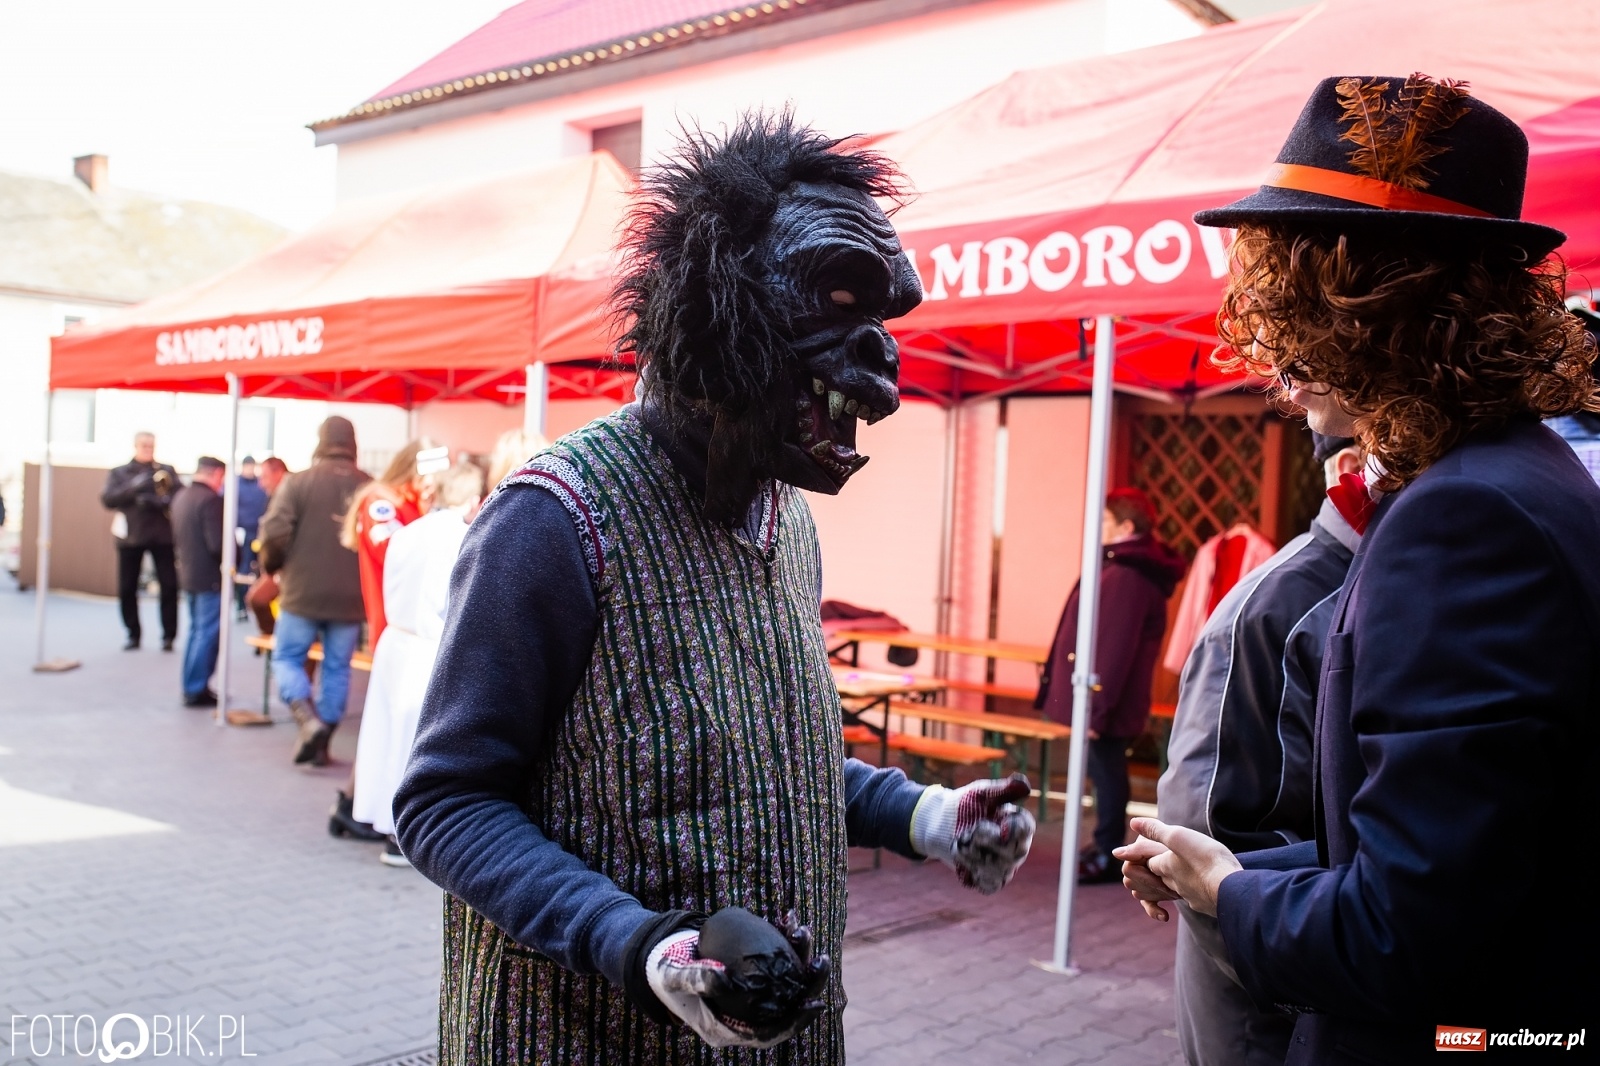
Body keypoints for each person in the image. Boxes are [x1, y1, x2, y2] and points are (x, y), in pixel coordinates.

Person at [394, 114, 1036, 1064]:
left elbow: (771, 760)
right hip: (581, 1039)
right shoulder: (554, 521)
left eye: (884, 318)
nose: (883, 360)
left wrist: (928, 818)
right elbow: (445, 805)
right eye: (838, 299)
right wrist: (638, 945)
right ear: (714, 308)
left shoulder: (789, 521)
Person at [1117, 74, 1599, 1062]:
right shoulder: (1521, 476)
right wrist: (1234, 869)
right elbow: (1468, 852)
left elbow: (1404, 935)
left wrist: (1229, 893)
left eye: (1293, 317)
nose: (1279, 371)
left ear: (1371, 314)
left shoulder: (1464, 517)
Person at [1157, 432, 1362, 1066]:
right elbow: (1207, 841)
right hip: (1266, 1010)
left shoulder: (1380, 584)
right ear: (1355, 467)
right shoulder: (1276, 608)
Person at [1037, 487, 1185, 884]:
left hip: (1109, 701)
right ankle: (1105, 844)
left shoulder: (1127, 575)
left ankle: (1108, 851)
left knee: (1107, 773)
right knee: (1105, 771)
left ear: (1126, 526)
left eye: (1105, 521)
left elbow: (1113, 648)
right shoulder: (1124, 567)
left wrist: (1095, 710)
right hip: (1110, 698)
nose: (1098, 527)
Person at [353, 461, 487, 867]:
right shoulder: (461, 537)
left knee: (387, 738)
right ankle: (405, 834)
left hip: (396, 642)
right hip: (428, 646)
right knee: (415, 745)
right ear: (472, 499)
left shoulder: (408, 531)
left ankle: (387, 824)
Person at [257, 416, 371, 769]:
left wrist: (273, 567)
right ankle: (323, 743)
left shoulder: (298, 483)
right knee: (338, 669)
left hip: (301, 592)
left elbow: (274, 533)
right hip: (351, 597)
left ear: (321, 440)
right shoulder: (369, 486)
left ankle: (307, 719)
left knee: (287, 658)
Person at [340, 439, 437, 647]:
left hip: (418, 625)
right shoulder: (381, 500)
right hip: (393, 626)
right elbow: (396, 557)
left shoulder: (419, 502)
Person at [101, 431, 179, 651]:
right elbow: (108, 499)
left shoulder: (165, 470)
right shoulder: (120, 472)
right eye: (144, 445)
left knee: (169, 586)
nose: (148, 449)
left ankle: (169, 636)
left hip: (161, 536)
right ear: (135, 446)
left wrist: (158, 501)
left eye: (151, 445)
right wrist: (135, 487)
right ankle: (132, 633)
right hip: (131, 537)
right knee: (127, 587)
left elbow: (178, 495)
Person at [171, 456, 227, 708]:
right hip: (208, 577)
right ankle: (196, 687)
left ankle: (191, 685)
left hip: (189, 574)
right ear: (215, 474)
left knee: (196, 632)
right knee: (206, 633)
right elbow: (217, 544)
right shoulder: (210, 500)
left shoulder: (182, 496)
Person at [232, 456, 270, 620]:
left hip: (260, 533)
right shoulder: (235, 484)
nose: (250, 469)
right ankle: (241, 605)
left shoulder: (259, 484)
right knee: (243, 570)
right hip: (243, 533)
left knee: (262, 569)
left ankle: (258, 603)